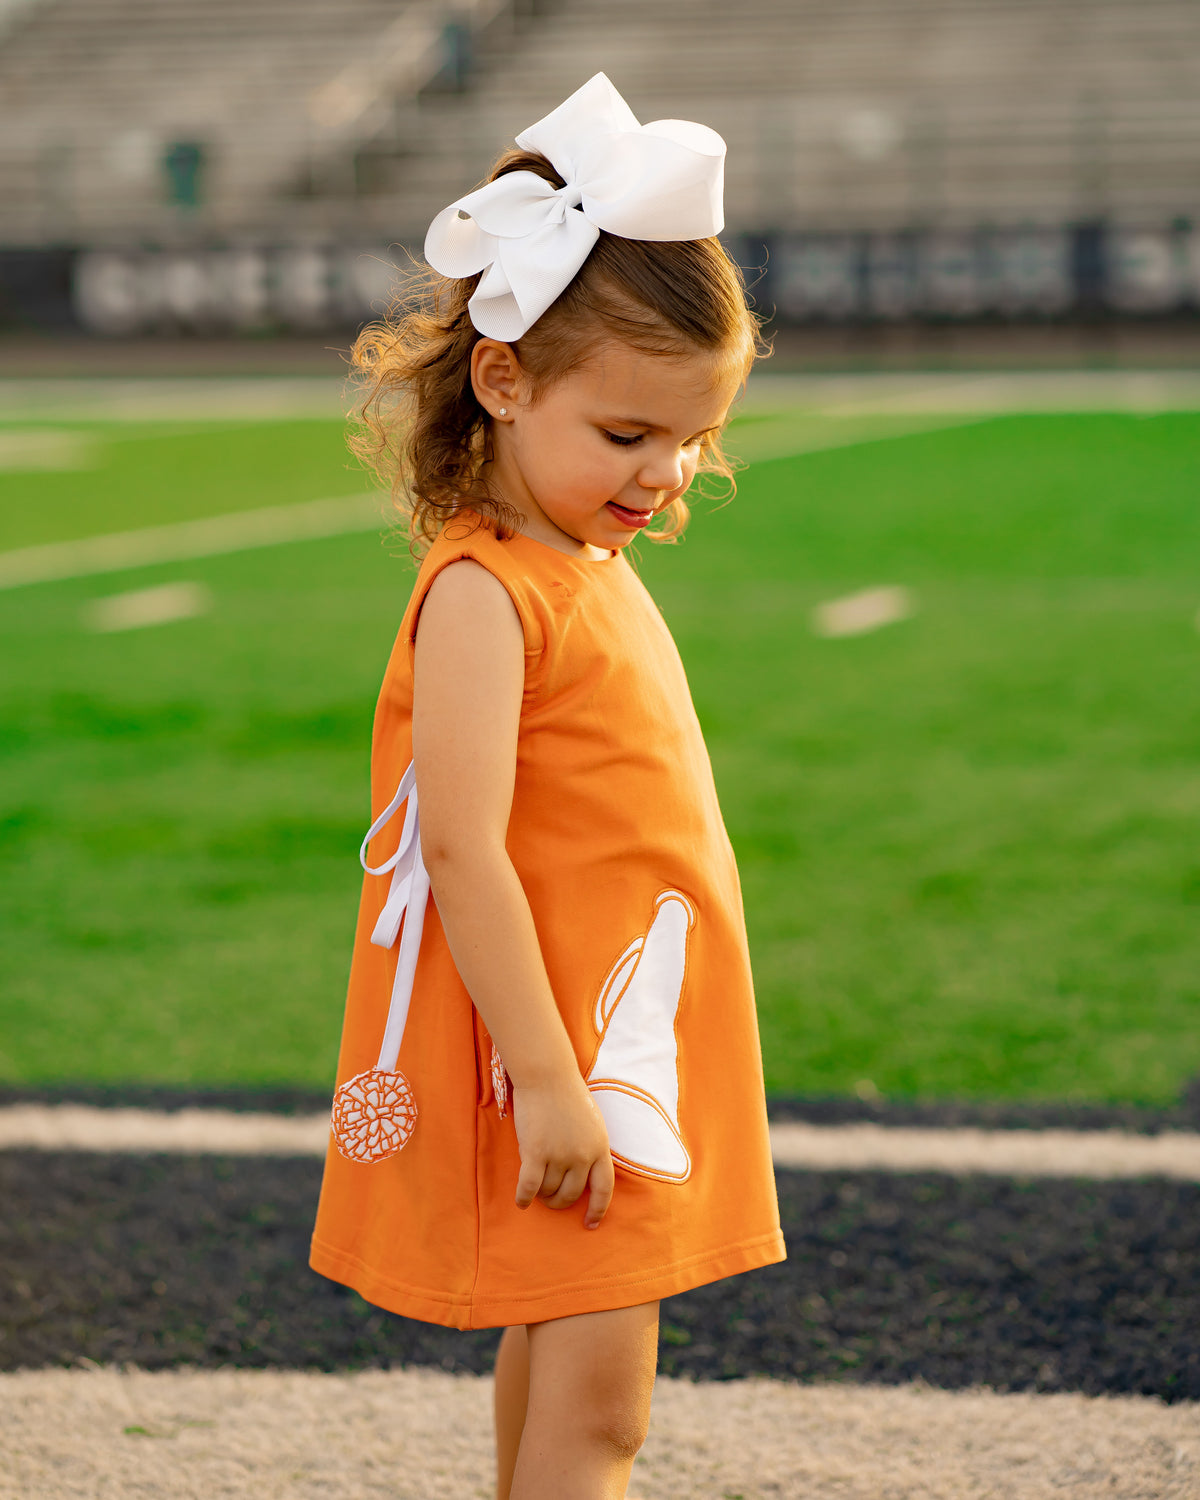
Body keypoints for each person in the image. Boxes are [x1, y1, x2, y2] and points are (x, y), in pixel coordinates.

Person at [310, 73, 786, 1500]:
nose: (667, 474)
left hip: (618, 1027)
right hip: (572, 1056)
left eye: (692, 439)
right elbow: (458, 852)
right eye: (627, 437)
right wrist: (549, 1083)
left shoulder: (582, 560)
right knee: (599, 1419)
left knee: (558, 1354)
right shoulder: (485, 591)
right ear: (505, 382)